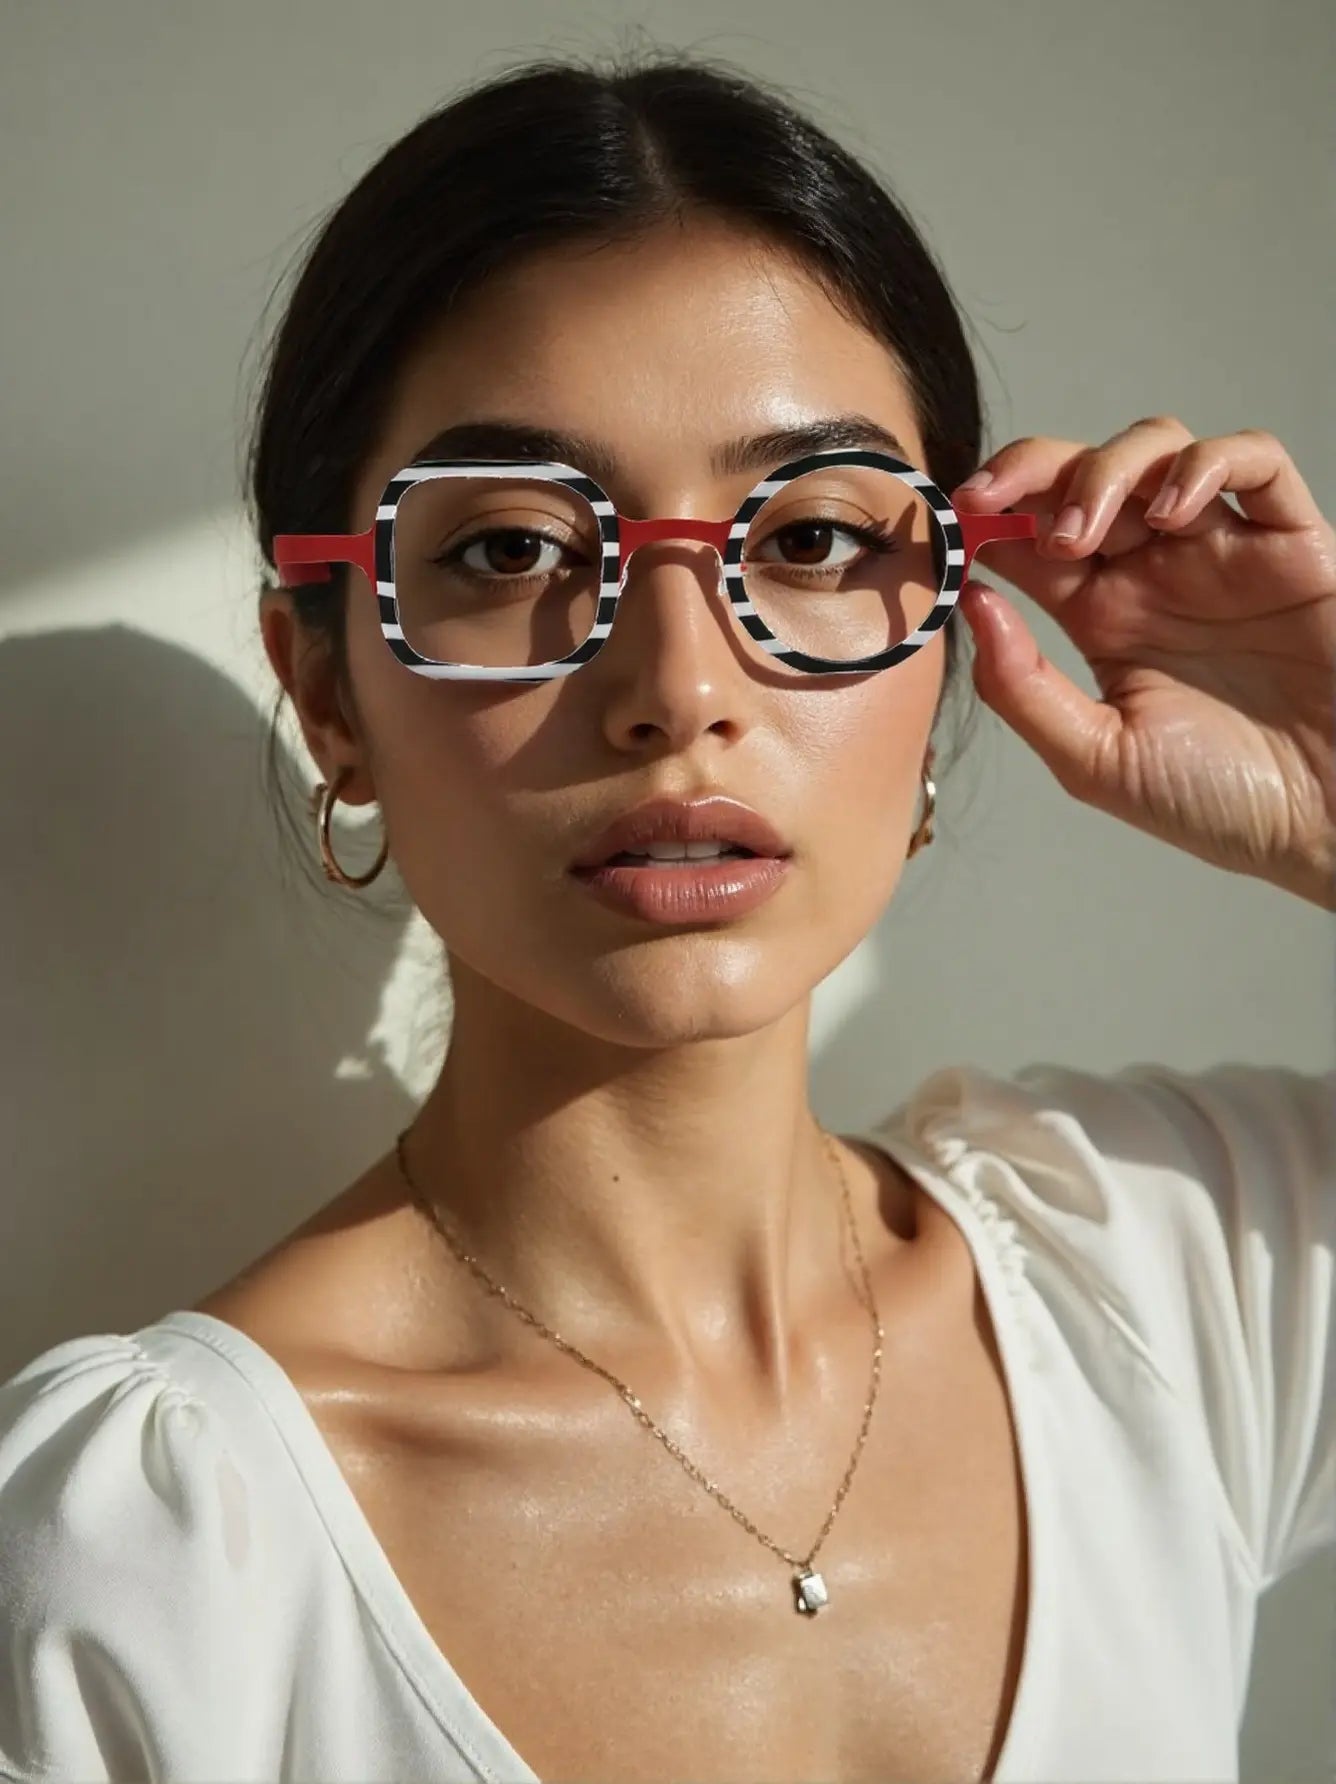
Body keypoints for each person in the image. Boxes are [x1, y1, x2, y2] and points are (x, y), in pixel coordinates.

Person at [0, 48, 1332, 1784]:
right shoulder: (150, 1560)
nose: (678, 685)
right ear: (325, 689)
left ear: (945, 631)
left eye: (810, 537)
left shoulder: (1172, 1277)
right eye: (506, 550)